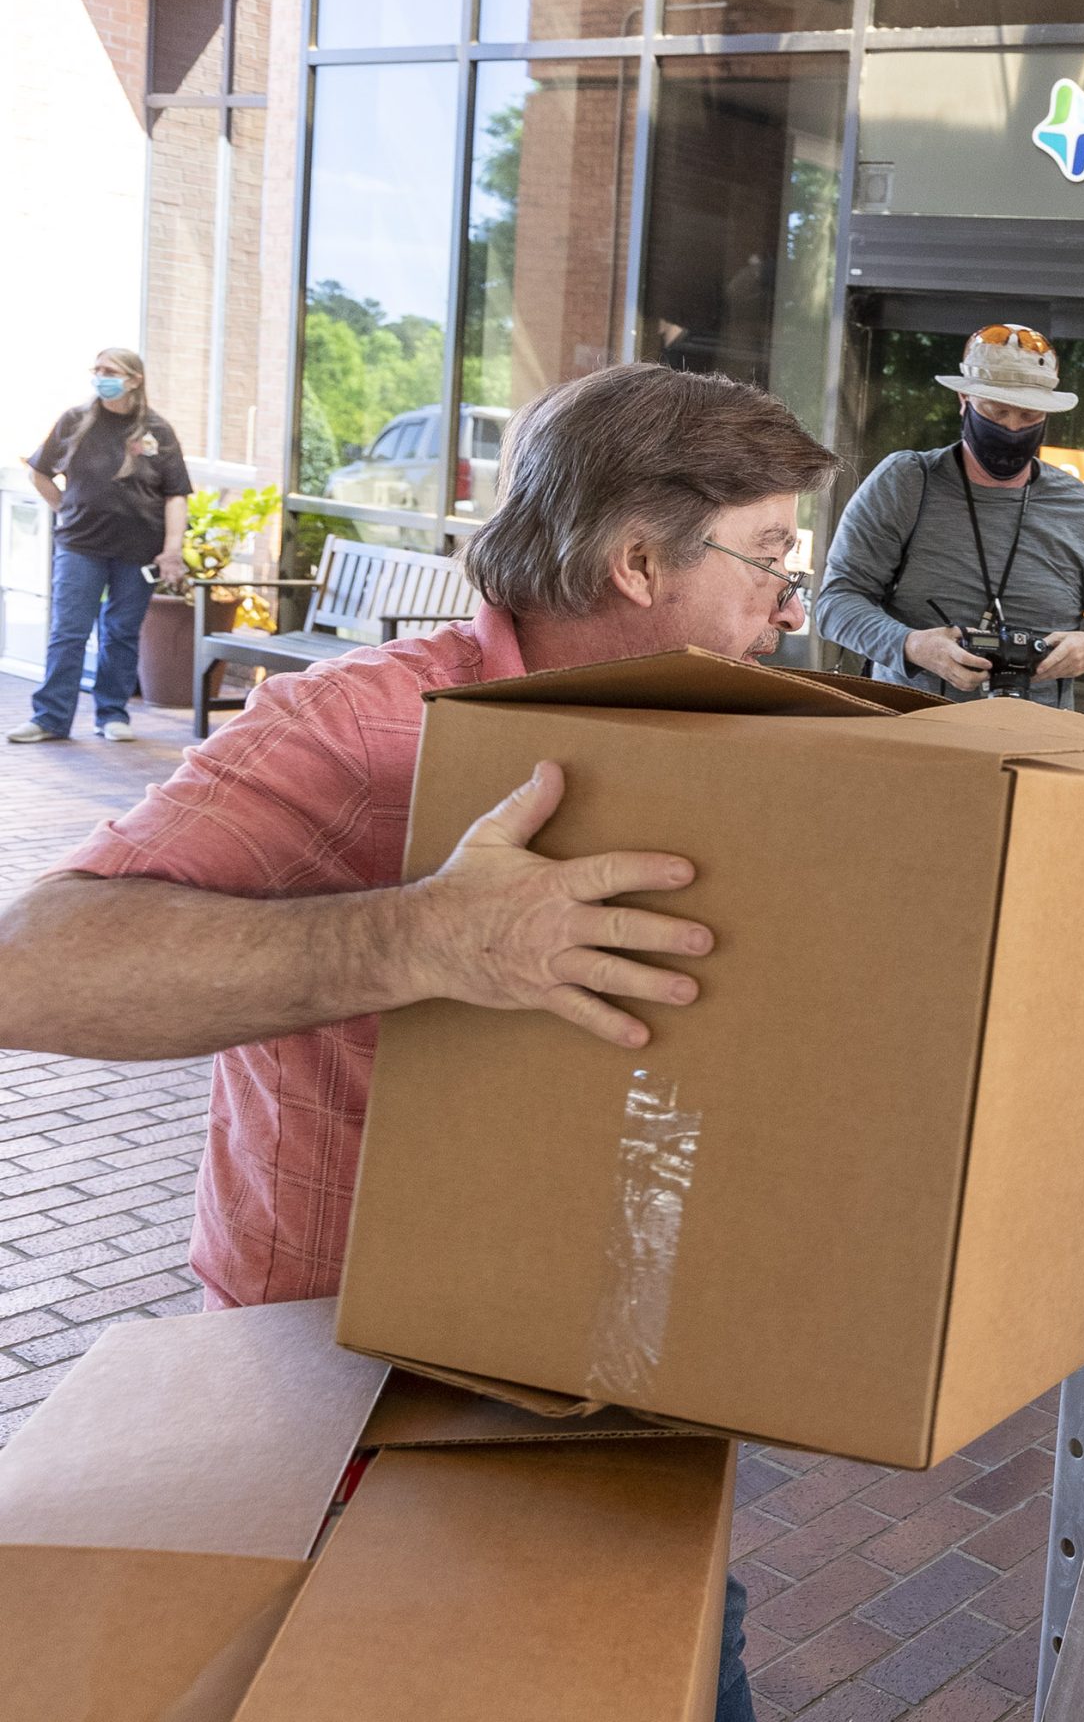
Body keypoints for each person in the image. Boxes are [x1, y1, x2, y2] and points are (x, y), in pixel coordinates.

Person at [0, 363, 839, 1722]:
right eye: (766, 561)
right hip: (350, 1415)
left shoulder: (712, 735)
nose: (784, 607)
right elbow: (33, 966)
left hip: (621, 1397)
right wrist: (422, 939)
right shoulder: (366, 726)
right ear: (636, 559)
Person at [815, 323, 1084, 706]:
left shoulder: (1082, 509)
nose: (1011, 427)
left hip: (1033, 744)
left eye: (1029, 416)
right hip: (911, 731)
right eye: (997, 410)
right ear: (964, 399)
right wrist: (911, 645)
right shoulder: (907, 482)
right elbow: (836, 603)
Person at [13, 347, 192, 744]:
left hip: (138, 551)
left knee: (122, 632)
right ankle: (50, 718)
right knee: (69, 632)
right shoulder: (75, 421)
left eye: (109, 370)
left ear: (133, 379)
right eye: (96, 370)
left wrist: (172, 550)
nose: (100, 376)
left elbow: (176, 494)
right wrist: (66, 509)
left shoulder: (156, 431)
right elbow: (39, 473)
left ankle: (112, 713)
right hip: (81, 546)